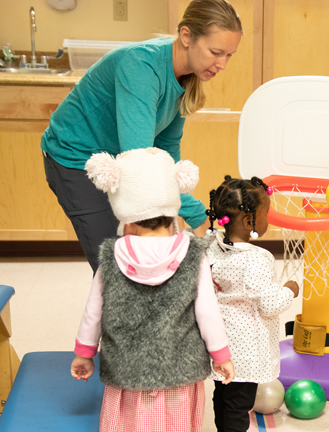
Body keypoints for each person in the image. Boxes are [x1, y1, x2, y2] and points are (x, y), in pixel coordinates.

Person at [70, 148, 235, 432]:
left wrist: (84, 353)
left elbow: (93, 310)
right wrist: (221, 355)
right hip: (179, 367)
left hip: (127, 371)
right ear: (173, 209)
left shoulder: (112, 254)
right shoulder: (194, 254)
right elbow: (207, 311)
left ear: (125, 215)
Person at [42, 0, 243, 273]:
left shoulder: (186, 78)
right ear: (186, 36)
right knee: (116, 266)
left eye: (229, 55)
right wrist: (195, 214)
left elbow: (165, 150)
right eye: (215, 52)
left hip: (122, 159)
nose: (222, 64)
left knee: (145, 255)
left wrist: (180, 209)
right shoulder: (141, 66)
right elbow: (140, 163)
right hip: (76, 158)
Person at [205, 175, 299, 432]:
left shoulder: (211, 246)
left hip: (220, 341)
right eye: (265, 213)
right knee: (239, 400)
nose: (267, 217)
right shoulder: (256, 260)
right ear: (248, 220)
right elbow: (270, 304)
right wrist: (290, 289)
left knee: (224, 394)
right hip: (245, 348)